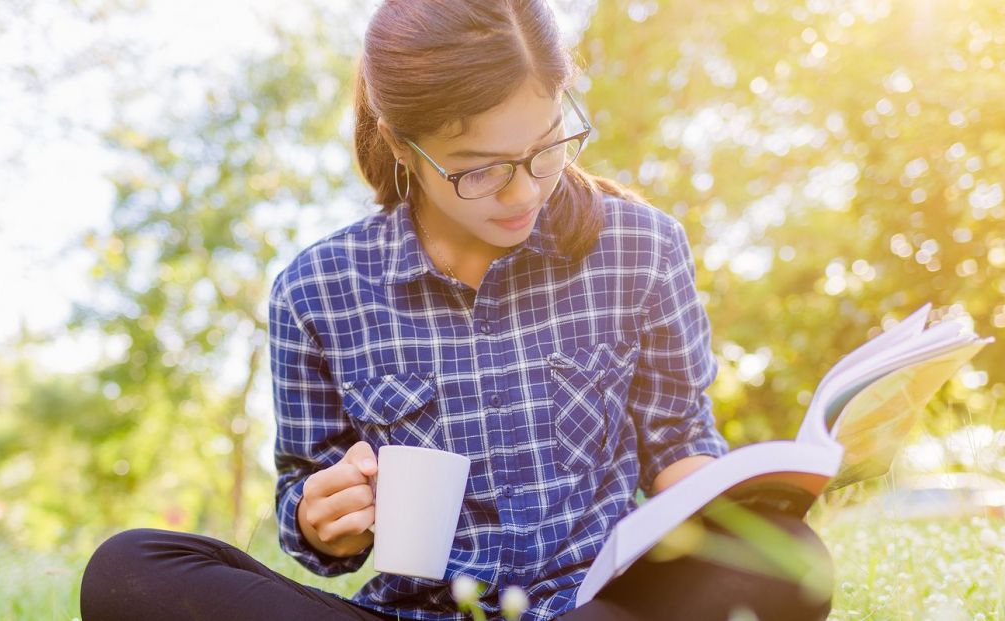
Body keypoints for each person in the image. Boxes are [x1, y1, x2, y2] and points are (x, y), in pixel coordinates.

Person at [79, 1, 834, 619]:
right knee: (128, 571)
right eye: (481, 171)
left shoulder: (642, 246)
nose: (525, 191)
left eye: (546, 148)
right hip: (415, 613)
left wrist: (761, 488)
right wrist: (319, 518)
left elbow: (678, 445)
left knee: (787, 556)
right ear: (403, 147)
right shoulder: (318, 288)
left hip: (597, 605)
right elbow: (310, 513)